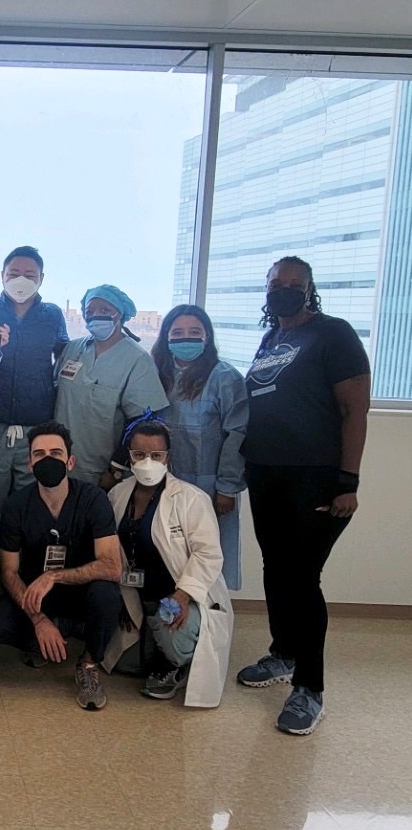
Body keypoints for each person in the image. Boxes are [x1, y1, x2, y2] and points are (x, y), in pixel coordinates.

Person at [236, 256, 370, 736]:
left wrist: (348, 481)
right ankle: (284, 654)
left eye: (294, 283)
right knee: (276, 567)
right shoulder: (272, 338)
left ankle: (309, 689)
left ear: (310, 289)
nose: (284, 289)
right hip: (266, 474)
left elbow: (355, 410)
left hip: (315, 477)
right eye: (276, 283)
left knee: (302, 577)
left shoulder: (334, 334)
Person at [0, 421, 122, 711]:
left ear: (70, 461)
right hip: (36, 596)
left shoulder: (93, 499)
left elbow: (112, 567)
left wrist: (54, 576)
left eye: (56, 453)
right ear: (30, 464)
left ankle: (88, 663)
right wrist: (39, 620)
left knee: (107, 596)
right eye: (39, 454)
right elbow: (8, 572)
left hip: (80, 591)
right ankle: (44, 635)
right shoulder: (17, 505)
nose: (48, 460)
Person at [0, 246, 67, 612]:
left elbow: (66, 357)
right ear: (2, 276)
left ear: (42, 278)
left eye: (30, 274)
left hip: (35, 431)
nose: (21, 280)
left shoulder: (52, 316)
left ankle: (29, 594)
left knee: (32, 512)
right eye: (13, 273)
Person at [104, 418, 233, 707]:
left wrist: (183, 596)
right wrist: (121, 599)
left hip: (176, 598)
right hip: (135, 594)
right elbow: (111, 551)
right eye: (139, 454)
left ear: (168, 457)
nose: (147, 462)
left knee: (175, 637)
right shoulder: (117, 495)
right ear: (129, 456)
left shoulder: (191, 499)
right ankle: (154, 647)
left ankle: (176, 665)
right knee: (125, 664)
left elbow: (208, 554)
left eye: (156, 455)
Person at [150, 304, 248, 589]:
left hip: (210, 487)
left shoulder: (224, 377)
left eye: (194, 332)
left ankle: (208, 615)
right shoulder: (156, 374)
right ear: (166, 337)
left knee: (207, 560)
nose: (186, 338)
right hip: (163, 482)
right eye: (178, 332)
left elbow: (237, 434)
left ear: (207, 336)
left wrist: (227, 488)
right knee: (164, 555)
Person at [54, 284, 168, 488]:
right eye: (90, 311)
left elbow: (142, 422)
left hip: (102, 470)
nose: (96, 315)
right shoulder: (73, 349)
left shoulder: (137, 359)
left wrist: (116, 468)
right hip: (59, 460)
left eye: (105, 309)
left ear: (120, 314)